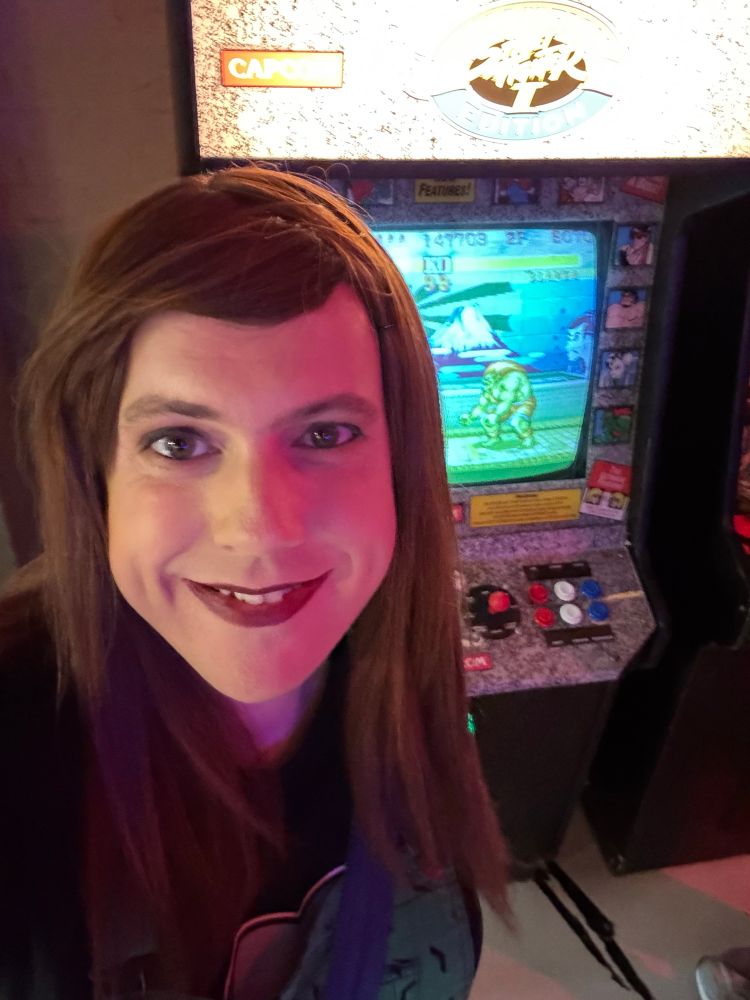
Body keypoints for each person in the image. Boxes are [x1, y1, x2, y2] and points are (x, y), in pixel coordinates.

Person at [0, 167, 508, 999]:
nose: (261, 527)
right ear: (96, 476)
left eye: (326, 431)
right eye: (178, 443)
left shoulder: (395, 670)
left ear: (401, 464)